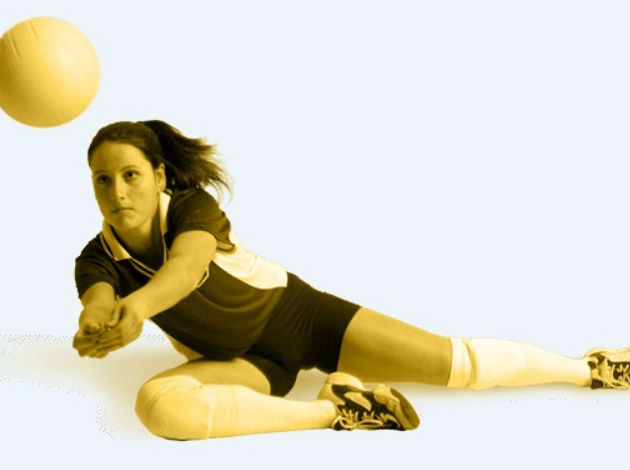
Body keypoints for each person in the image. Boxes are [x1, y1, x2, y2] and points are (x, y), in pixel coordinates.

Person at [72, 120, 630, 440]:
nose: (117, 192)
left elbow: (187, 268)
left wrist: (136, 309)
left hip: (302, 319)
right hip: (244, 361)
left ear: (160, 176)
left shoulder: (192, 208)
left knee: (456, 365)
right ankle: (336, 409)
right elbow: (96, 299)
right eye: (103, 180)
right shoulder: (95, 258)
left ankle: (590, 369)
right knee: (157, 407)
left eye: (130, 175)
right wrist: (96, 327)